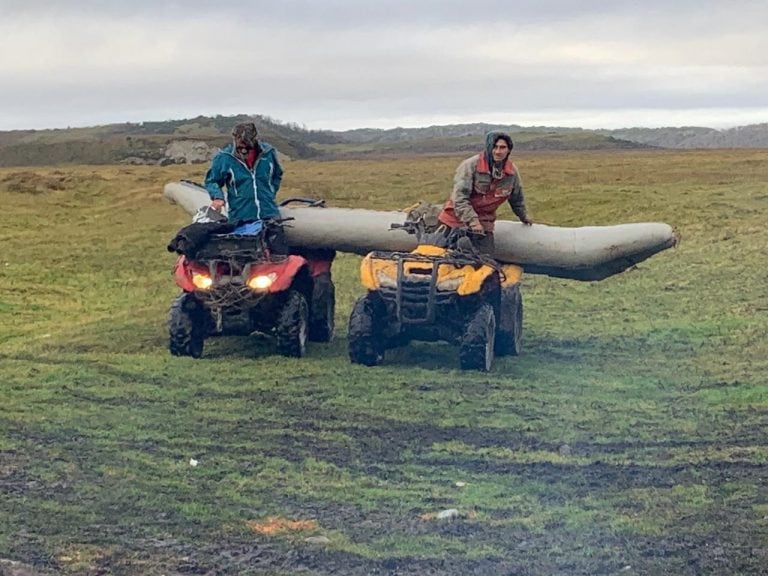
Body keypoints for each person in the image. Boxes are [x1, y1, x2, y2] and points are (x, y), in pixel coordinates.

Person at [437, 131, 532, 254]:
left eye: (503, 147)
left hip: (484, 221)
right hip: (454, 218)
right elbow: (459, 199)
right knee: (440, 256)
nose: (498, 151)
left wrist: (524, 217)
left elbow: (517, 198)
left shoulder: (511, 172)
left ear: (509, 150)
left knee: (486, 260)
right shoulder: (470, 165)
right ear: (489, 147)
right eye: (494, 147)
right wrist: (473, 222)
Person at [204, 121, 286, 252]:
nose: (242, 147)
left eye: (246, 143)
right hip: (241, 217)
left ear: (254, 139)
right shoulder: (224, 158)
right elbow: (211, 181)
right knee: (244, 258)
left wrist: (270, 192)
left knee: (279, 257)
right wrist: (217, 197)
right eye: (239, 142)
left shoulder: (268, 153)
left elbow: (277, 174)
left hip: (270, 215)